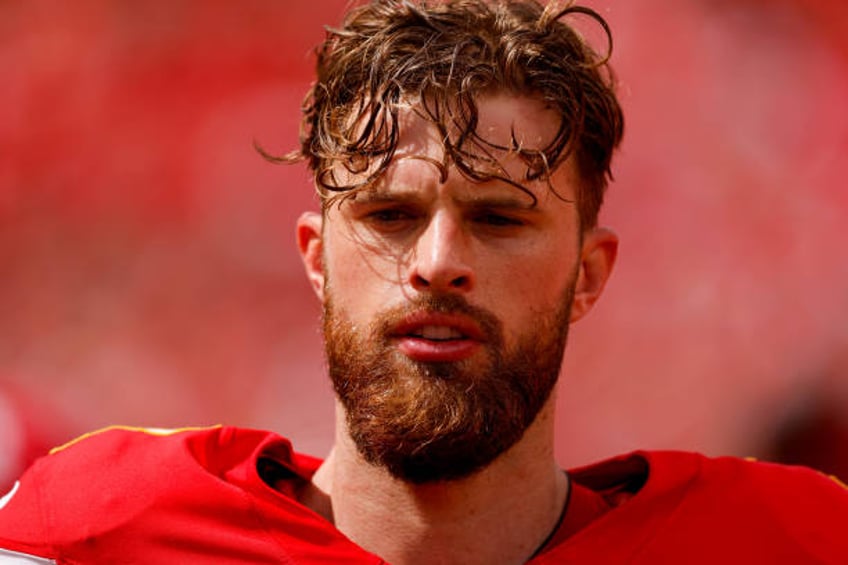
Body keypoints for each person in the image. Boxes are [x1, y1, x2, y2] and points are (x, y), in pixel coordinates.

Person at [1, 1, 846, 563]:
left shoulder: (788, 539)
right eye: (389, 216)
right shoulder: (93, 534)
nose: (438, 261)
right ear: (316, 256)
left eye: (501, 218)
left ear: (588, 274)